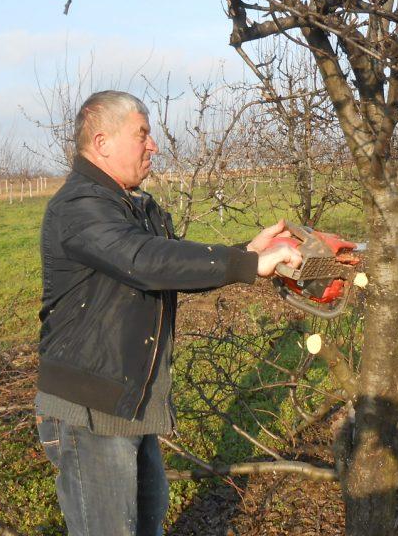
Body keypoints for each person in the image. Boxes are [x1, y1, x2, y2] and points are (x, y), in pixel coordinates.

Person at [35, 90, 300, 536]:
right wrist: (249, 265)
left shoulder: (133, 206)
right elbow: (142, 259)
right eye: (142, 134)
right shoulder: (79, 207)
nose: (153, 145)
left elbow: (167, 263)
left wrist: (246, 252)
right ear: (102, 143)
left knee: (147, 523)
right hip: (91, 410)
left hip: (127, 400)